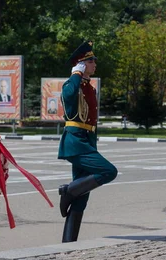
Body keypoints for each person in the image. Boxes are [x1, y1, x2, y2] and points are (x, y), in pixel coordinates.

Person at [58, 40, 117, 242]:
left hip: (87, 140)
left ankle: (68, 244)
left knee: (81, 199)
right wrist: (76, 73)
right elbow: (68, 95)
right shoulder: (72, 84)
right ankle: (67, 191)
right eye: (91, 61)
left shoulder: (88, 87)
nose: (95, 64)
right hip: (76, 141)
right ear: (81, 64)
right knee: (108, 171)